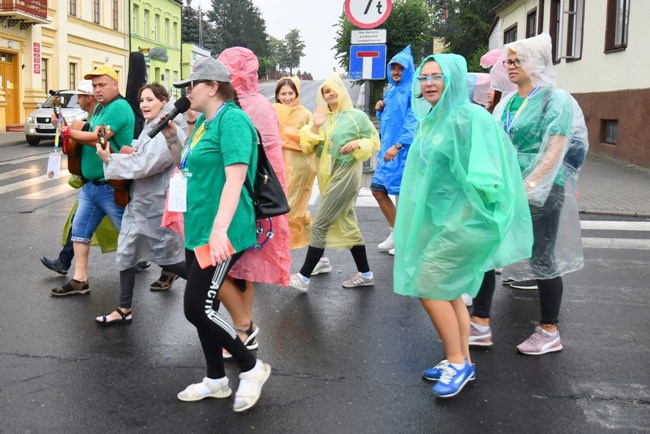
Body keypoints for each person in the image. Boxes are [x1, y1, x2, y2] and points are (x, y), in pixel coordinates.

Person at [393, 53, 533, 398]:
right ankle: (462, 361)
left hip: (468, 222)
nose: (428, 83)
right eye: (424, 77)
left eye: (437, 76)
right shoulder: (435, 120)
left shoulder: (467, 118)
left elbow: (488, 177)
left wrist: (462, 217)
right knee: (448, 289)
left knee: (428, 284)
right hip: (445, 223)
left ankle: (457, 362)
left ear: (454, 80)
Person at [163, 57, 271, 412]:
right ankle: (215, 380)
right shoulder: (203, 124)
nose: (186, 93)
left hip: (221, 230)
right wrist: (172, 140)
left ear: (212, 86)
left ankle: (252, 368)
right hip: (199, 227)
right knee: (205, 307)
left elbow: (236, 177)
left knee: (196, 308)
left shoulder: (233, 120)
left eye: (190, 85)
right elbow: (188, 167)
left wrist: (221, 230)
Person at [470, 33, 586, 355]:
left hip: (543, 189)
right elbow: (495, 142)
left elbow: (554, 151)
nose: (510, 66)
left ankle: (549, 330)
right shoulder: (507, 102)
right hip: (508, 186)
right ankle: (479, 324)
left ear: (536, 63)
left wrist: (527, 188)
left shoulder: (555, 99)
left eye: (517, 60)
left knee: (541, 257)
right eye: (507, 60)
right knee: (486, 248)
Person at [216, 47, 292, 357]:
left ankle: (243, 327)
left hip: (242, 198)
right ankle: (244, 330)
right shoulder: (256, 103)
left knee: (215, 267)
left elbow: (230, 158)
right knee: (238, 269)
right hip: (252, 198)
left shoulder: (240, 109)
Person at [94, 83, 187, 325]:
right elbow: (142, 151)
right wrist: (125, 149)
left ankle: (214, 289)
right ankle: (124, 308)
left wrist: (109, 159)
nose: (144, 104)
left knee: (169, 259)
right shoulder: (152, 125)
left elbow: (147, 164)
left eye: (150, 100)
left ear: (163, 101)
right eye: (142, 100)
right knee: (126, 253)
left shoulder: (169, 127)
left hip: (157, 207)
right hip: (140, 204)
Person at [289, 73, 380, 292]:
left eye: (332, 89)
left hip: (347, 173)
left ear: (341, 90)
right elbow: (307, 147)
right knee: (348, 223)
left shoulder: (356, 116)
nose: (329, 93)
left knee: (320, 223)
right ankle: (366, 273)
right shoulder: (321, 118)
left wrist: (358, 143)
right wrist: (314, 128)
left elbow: (373, 141)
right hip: (328, 177)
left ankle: (304, 277)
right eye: (325, 91)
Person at [50, 65, 135, 297]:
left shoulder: (118, 107)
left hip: (112, 185)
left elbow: (100, 136)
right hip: (92, 186)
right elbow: (88, 131)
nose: (97, 90)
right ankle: (80, 279)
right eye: (95, 86)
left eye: (102, 85)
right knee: (79, 231)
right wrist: (65, 126)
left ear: (115, 85)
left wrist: (68, 133)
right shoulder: (99, 107)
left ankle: (170, 267)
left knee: (132, 234)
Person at [272, 77, 331, 275]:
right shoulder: (272, 111)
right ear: (277, 95)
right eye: (283, 94)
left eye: (291, 93)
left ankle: (314, 256)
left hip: (299, 169)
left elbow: (311, 140)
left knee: (291, 211)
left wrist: (287, 135)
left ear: (297, 94)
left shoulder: (306, 114)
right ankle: (318, 256)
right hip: (276, 168)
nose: (287, 97)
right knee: (276, 212)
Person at [371, 45, 417, 254]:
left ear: (408, 70)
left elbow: (413, 121)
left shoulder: (413, 92)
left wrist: (398, 146)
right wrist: (380, 110)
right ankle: (397, 232)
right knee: (378, 190)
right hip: (387, 150)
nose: (396, 72)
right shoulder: (391, 90)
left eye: (400, 68)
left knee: (404, 196)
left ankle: (403, 239)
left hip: (402, 151)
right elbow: (389, 120)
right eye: (393, 68)